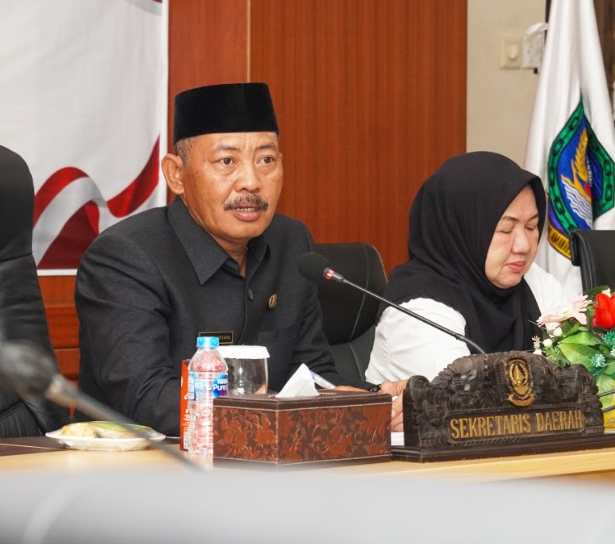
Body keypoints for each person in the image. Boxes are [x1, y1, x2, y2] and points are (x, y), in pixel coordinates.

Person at [76, 83, 398, 436]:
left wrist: (369, 400)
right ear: (176, 175)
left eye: (266, 160)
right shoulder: (125, 257)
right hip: (143, 472)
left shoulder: (292, 243)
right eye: (226, 161)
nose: (251, 182)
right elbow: (149, 399)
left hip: (265, 467)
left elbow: (312, 373)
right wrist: (286, 411)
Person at [366, 152, 567, 394]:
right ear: (460, 230)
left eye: (532, 226)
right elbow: (470, 401)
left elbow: (590, 372)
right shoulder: (416, 310)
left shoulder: (534, 281)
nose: (523, 246)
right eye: (505, 229)